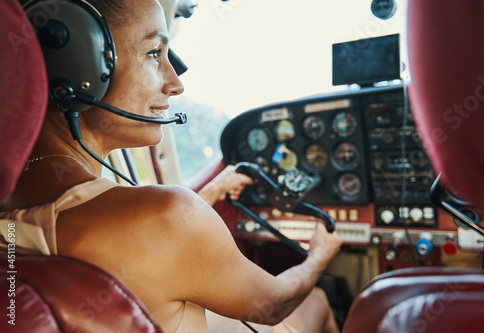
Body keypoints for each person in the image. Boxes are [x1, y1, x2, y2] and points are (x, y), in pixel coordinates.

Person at [0, 0, 343, 332]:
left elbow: (148, 242)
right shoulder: (170, 216)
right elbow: (273, 306)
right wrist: (318, 257)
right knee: (315, 301)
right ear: (76, 63)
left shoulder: (12, 214)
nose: (176, 83)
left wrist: (206, 194)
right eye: (154, 53)